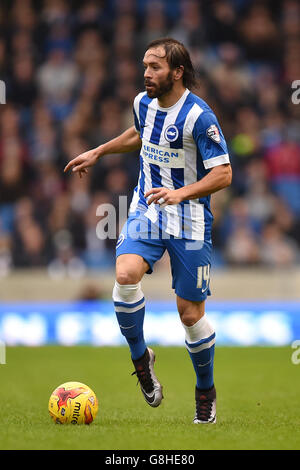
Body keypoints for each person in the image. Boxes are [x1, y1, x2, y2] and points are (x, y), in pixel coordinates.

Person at [64, 38, 232, 424]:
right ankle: (142, 359)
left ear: (177, 72)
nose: (146, 73)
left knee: (189, 315)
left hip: (189, 219)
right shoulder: (142, 103)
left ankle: (204, 389)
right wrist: (99, 151)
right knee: (124, 276)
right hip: (148, 209)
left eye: (155, 67)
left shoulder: (199, 117)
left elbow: (223, 173)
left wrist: (181, 192)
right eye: (145, 66)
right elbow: (141, 134)